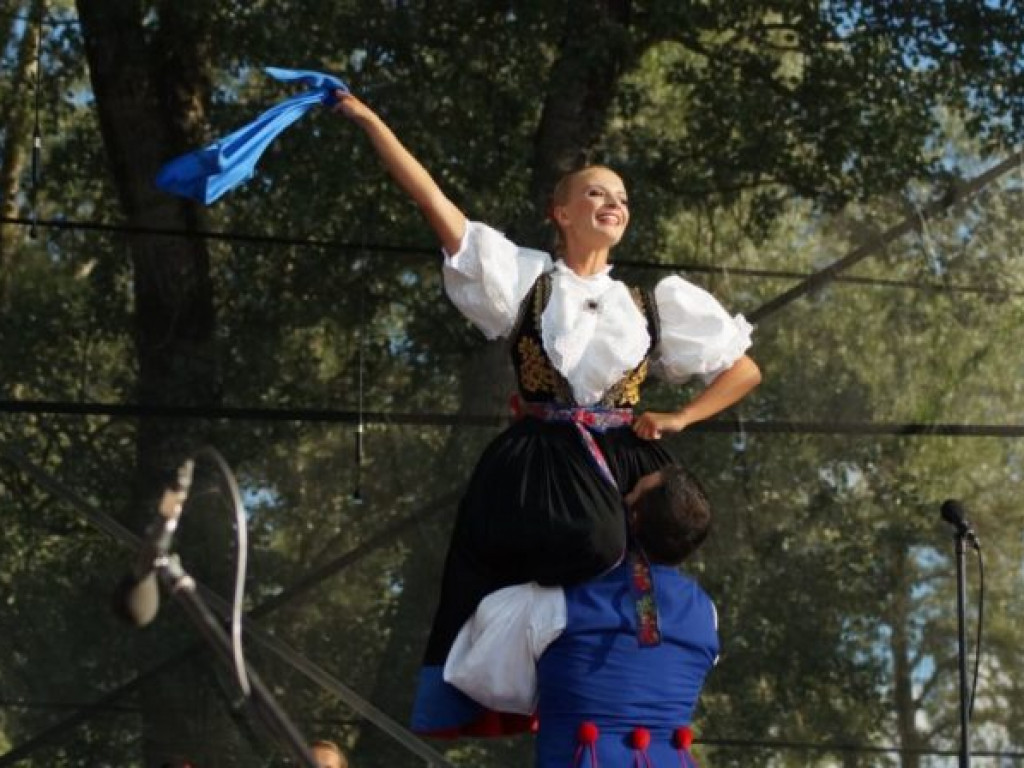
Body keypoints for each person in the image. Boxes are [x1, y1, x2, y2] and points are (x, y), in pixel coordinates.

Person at [333, 92, 760, 736]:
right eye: (595, 193)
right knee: (598, 541)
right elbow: (435, 207)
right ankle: (521, 662)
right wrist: (372, 123)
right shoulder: (527, 279)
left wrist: (680, 418)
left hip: (624, 451)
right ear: (560, 213)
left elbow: (744, 370)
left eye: (621, 196)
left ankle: (619, 678)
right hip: (546, 459)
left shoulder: (650, 302)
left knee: (678, 527)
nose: (613, 201)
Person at [445, 464, 717, 767]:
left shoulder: (553, 600)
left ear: (634, 518)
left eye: (633, 492)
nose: (623, 496)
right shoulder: (707, 614)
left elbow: (482, 675)